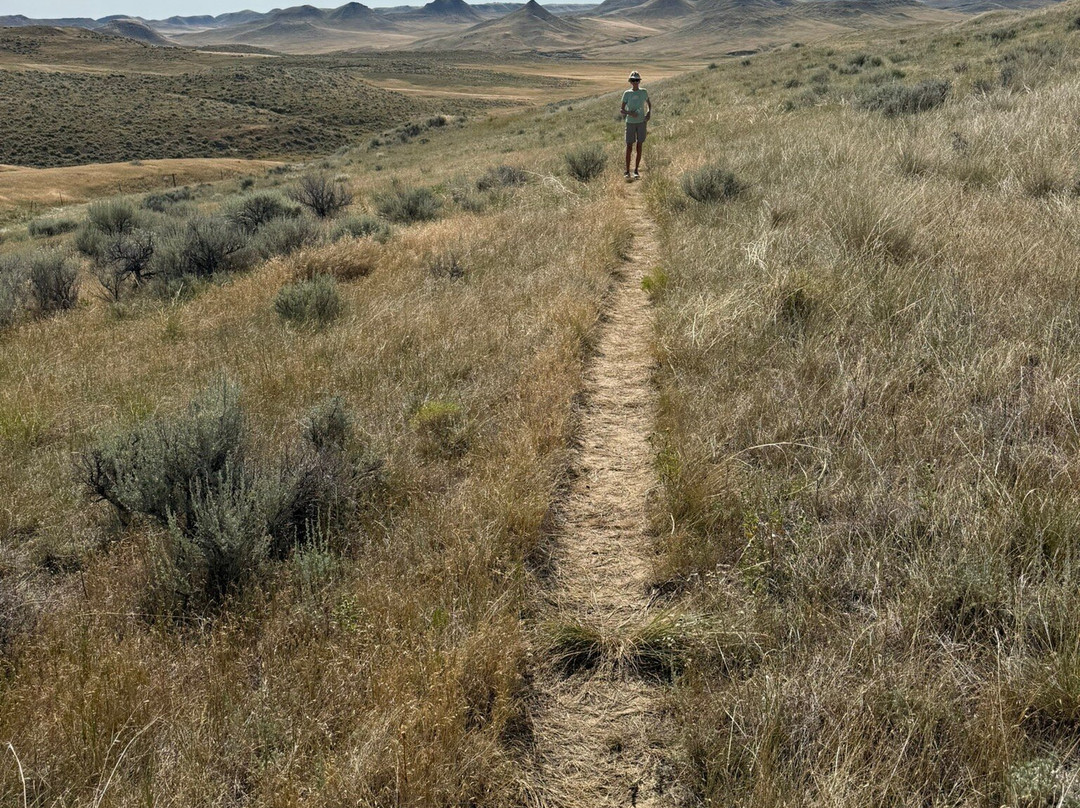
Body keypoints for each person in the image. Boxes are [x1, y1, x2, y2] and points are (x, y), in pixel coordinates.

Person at [620, 70, 651, 179]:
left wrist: (648, 113)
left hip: (641, 122)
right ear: (630, 81)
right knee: (629, 146)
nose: (635, 82)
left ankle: (636, 170)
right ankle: (627, 171)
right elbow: (622, 110)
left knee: (639, 145)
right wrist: (630, 113)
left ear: (639, 81)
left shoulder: (644, 92)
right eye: (633, 80)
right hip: (630, 123)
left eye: (637, 80)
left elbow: (649, 103)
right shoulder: (627, 93)